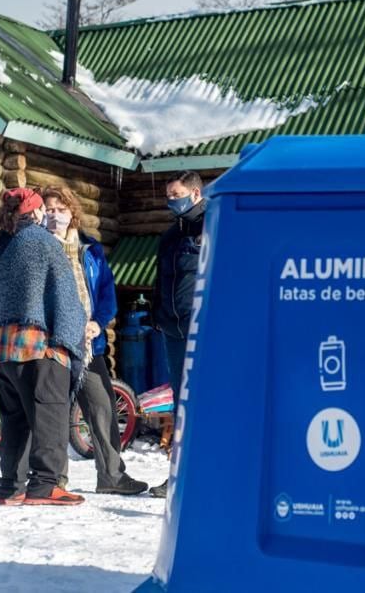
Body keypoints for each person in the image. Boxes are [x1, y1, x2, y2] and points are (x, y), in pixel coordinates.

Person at [41, 186, 148, 495]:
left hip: (88, 346)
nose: (55, 215)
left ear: (73, 212)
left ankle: (112, 476)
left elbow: (106, 294)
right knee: (55, 411)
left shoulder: (90, 249)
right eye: (49, 209)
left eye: (61, 209)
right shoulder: (37, 247)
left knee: (102, 409)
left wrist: (98, 323)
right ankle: (54, 480)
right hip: (53, 343)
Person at [0, 187, 87, 506]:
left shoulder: (1, 244)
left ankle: (10, 487)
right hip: (37, 344)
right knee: (50, 413)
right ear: (37, 211)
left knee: (15, 418)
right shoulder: (44, 242)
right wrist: (70, 339)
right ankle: (45, 484)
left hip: (2, 347)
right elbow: (65, 297)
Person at [149, 170, 205, 498]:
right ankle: (179, 477)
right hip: (172, 330)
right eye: (168, 196)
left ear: (195, 194)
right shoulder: (169, 236)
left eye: (176, 194)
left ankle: (210, 474)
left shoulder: (213, 227)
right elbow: (160, 281)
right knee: (181, 405)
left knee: (205, 401)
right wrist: (158, 315)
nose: (171, 201)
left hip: (203, 330)